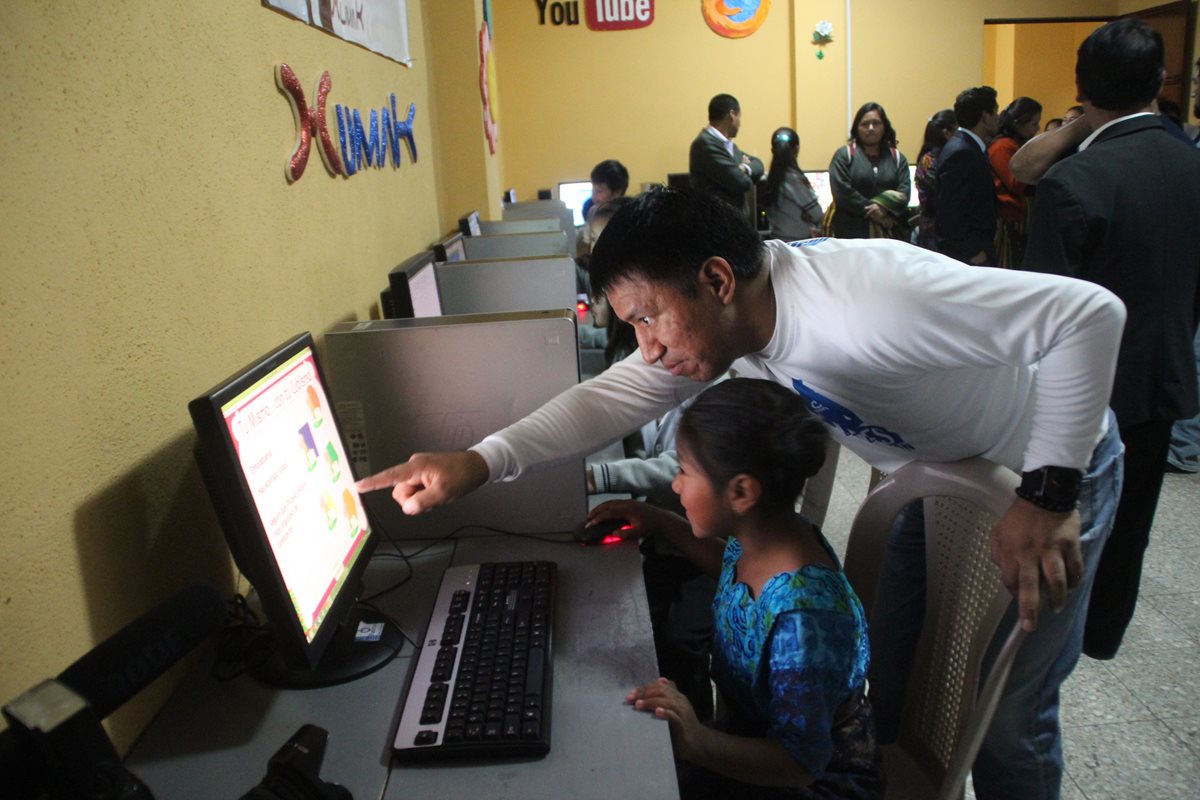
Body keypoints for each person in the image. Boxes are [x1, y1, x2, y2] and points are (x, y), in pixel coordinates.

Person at [357, 187, 1126, 800]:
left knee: (1004, 719)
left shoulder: (872, 304)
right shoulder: (736, 321)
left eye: (649, 319)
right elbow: (613, 398)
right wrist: (480, 462)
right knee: (896, 688)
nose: (648, 348)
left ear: (718, 279)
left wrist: (1049, 491)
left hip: (1050, 467)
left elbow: (1089, 315)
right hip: (939, 472)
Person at [597, 379, 883, 798]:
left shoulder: (803, 621)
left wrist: (695, 740)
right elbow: (731, 566)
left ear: (742, 492)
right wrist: (662, 522)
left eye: (683, 472)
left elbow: (800, 763)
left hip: (814, 783)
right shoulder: (770, 537)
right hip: (753, 735)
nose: (675, 486)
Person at [1021, 19, 1200, 661]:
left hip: (1089, 396)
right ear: (1159, 81)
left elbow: (1043, 313)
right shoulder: (1190, 162)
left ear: (1081, 87)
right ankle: (1104, 636)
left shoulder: (1076, 181)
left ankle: (1058, 638)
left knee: (1073, 518)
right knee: (1133, 527)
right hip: (1163, 375)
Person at [935, 86, 1001, 265]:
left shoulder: (966, 146)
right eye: (996, 112)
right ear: (985, 116)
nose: (998, 117)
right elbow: (950, 210)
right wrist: (971, 252)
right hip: (970, 254)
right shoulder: (963, 152)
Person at [827, 102, 910, 240]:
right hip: (851, 234)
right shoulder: (844, 156)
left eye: (876, 123)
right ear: (856, 128)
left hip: (890, 235)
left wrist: (883, 209)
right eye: (865, 124)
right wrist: (874, 212)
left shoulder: (897, 158)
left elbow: (904, 193)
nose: (871, 128)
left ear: (884, 127)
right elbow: (841, 192)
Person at [689, 94, 764, 216]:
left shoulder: (728, 145)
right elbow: (741, 182)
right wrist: (741, 167)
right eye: (739, 117)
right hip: (717, 223)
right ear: (732, 115)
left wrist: (743, 167)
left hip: (733, 222)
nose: (740, 123)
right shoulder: (706, 145)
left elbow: (758, 164)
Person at [989, 96, 1042, 267]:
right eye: (1034, 123)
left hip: (1017, 217)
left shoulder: (1013, 144)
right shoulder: (1003, 146)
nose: (1037, 128)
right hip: (1009, 220)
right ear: (1020, 121)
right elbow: (1015, 182)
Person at [759, 127, 823, 241]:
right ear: (797, 150)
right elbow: (817, 214)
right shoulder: (794, 178)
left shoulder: (769, 179)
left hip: (777, 240)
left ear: (772, 150)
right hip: (798, 243)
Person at [913, 109, 957, 250]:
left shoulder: (943, 157)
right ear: (947, 133)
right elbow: (942, 193)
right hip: (934, 230)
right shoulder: (929, 160)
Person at [580, 159, 630, 251]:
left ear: (617, 192)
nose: (594, 196)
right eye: (593, 190)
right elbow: (586, 245)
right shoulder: (593, 211)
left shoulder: (632, 215)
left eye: (599, 191)